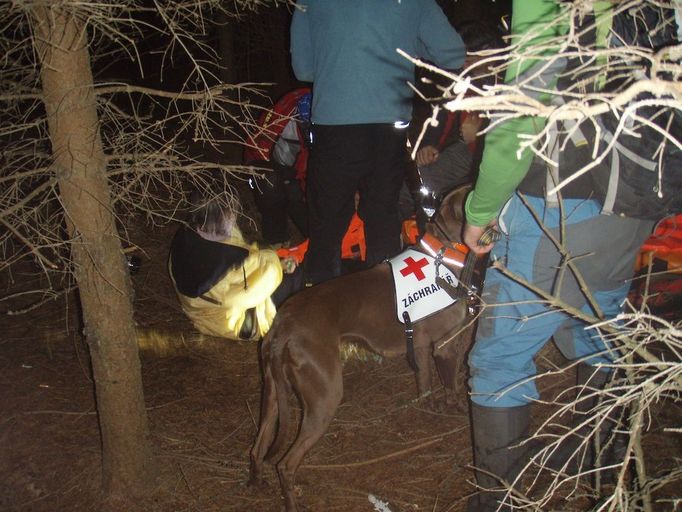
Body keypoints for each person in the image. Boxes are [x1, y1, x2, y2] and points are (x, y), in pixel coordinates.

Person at [460, 1, 670, 510]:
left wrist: (482, 207)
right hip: (638, 193)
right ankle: (604, 475)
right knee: (594, 325)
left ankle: (499, 500)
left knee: (499, 359)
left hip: (558, 198)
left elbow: (522, 116)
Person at [290, 0, 465, 285]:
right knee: (382, 216)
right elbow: (453, 54)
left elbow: (304, 70)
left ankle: (322, 307)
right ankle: (386, 304)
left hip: (334, 122)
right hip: (389, 124)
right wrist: (404, 41)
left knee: (327, 224)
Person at [399, 20, 504, 222]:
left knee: (429, 186)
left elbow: (514, 139)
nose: (461, 59)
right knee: (413, 182)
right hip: (464, 151)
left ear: (488, 53)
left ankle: (431, 231)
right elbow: (442, 114)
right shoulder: (464, 79)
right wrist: (430, 144)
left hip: (490, 156)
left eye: (467, 53)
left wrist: (480, 135)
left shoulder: (509, 83)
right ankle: (405, 237)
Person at [169, 191, 303, 341]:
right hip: (233, 320)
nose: (235, 215)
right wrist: (277, 264)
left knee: (264, 248)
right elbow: (249, 294)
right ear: (224, 216)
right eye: (232, 211)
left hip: (203, 310)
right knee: (296, 277)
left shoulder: (189, 231)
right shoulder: (230, 265)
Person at [244, 87, 312, 247]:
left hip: (299, 175)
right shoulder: (282, 120)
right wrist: (290, 183)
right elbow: (257, 152)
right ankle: (277, 238)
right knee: (269, 183)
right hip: (273, 169)